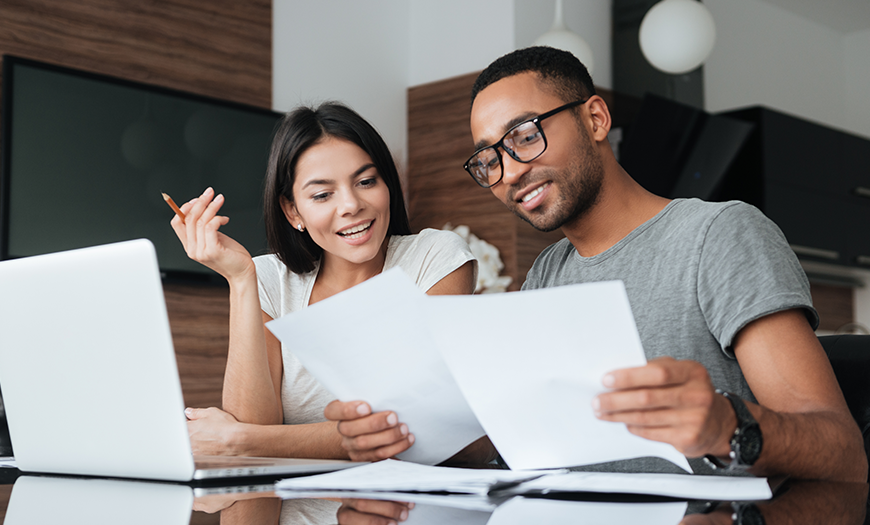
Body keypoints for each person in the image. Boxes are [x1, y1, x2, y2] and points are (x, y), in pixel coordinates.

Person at [331, 46, 867, 481]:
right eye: (489, 159)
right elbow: (519, 447)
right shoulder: (546, 271)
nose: (510, 172)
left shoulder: (719, 234)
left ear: (594, 118)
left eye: (524, 136)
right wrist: (399, 436)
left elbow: (842, 451)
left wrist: (727, 424)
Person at [170, 102, 482, 462]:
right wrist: (240, 280)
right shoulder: (270, 279)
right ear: (292, 211)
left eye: (366, 181)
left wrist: (241, 441)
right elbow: (252, 431)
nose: (351, 205)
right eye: (322, 194)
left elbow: (419, 428)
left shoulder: (434, 258)